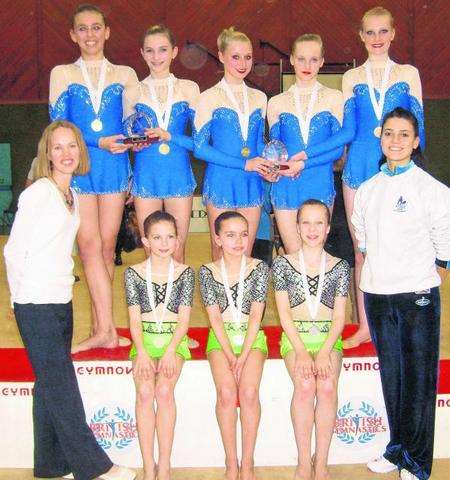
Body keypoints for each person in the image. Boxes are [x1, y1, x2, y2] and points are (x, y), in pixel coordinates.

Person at [3, 120, 135, 480]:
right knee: (62, 387)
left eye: (72, 146)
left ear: (81, 151)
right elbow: (14, 252)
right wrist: (20, 300)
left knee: (48, 385)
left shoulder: (72, 194)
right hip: (35, 303)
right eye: (58, 147)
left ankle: (50, 465)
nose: (66, 154)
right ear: (47, 153)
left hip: (61, 299)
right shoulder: (38, 194)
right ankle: (95, 468)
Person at [292, 7, 425, 348]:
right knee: (361, 249)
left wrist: (407, 163)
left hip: (398, 169)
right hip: (359, 171)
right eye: (370, 32)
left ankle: (398, 323)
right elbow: (349, 130)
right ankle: (365, 324)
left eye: (383, 31)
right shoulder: (351, 78)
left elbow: (419, 126)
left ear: (393, 33)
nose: (377, 39)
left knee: (399, 248)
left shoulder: (408, 73)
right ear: (361, 36)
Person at [352, 108, 449, 480]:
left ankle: (418, 462)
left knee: (419, 378)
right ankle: (397, 450)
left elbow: (446, 244)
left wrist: (420, 278)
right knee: (392, 375)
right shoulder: (368, 189)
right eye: (389, 133)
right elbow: (362, 238)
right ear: (381, 139)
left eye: (404, 135)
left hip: (417, 296)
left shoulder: (433, 190)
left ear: (416, 140)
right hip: (377, 295)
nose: (395, 141)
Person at [49, 3, 139, 352]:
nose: (90, 34)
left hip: (115, 167)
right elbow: (59, 126)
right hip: (82, 166)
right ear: (73, 35)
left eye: (96, 27)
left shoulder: (125, 74)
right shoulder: (62, 73)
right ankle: (105, 327)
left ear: (107, 32)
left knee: (104, 248)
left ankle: (102, 327)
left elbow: (133, 123)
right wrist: (96, 141)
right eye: (82, 28)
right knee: (87, 247)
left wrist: (137, 137)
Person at [272, 199, 349, 480]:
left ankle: (322, 462)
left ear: (328, 228)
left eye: (319, 223)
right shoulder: (282, 265)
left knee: (327, 386)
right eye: (306, 222)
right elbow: (284, 315)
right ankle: (304, 460)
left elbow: (339, 318)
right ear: (297, 227)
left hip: (329, 338)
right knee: (305, 385)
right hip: (296, 339)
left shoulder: (339, 266)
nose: (312, 229)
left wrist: (326, 350)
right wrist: (303, 353)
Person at [199, 211, 269, 480]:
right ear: (217, 239)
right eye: (230, 235)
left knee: (249, 392)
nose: (238, 241)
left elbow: (256, 316)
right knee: (227, 392)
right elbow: (214, 318)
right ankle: (231, 462)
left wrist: (243, 356)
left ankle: (248, 463)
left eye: (243, 234)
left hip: (252, 338)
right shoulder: (207, 271)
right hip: (221, 339)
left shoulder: (259, 269)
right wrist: (230, 354)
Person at [193, 27, 273, 260]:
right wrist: (244, 164)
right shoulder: (208, 97)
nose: (242, 63)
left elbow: (257, 144)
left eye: (247, 57)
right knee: (221, 255)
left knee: (245, 255)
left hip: (251, 183)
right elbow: (200, 147)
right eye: (235, 56)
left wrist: (268, 167)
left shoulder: (260, 98)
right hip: (221, 180)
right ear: (221, 56)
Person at [125, 211, 194, 480]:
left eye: (169, 237)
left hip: (173, 342)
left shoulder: (185, 273)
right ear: (145, 241)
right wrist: (141, 352)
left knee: (164, 390)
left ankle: (164, 465)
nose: (164, 243)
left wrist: (170, 352)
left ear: (177, 241)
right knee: (144, 393)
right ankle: (147, 465)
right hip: (143, 341)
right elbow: (133, 318)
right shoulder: (133, 274)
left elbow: (184, 320)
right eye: (157, 237)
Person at [123, 25, 200, 262]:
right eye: (150, 51)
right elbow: (127, 137)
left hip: (178, 174)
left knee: (177, 250)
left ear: (174, 52)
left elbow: (199, 142)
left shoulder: (189, 88)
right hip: (147, 174)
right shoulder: (132, 92)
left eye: (163, 50)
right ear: (142, 53)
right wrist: (133, 145)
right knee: (151, 252)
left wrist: (171, 137)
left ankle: (179, 301)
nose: (156, 57)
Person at [267, 34, 344, 253]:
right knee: (294, 258)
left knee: (316, 257)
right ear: (291, 59)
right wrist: (276, 169)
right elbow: (276, 150)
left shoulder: (334, 98)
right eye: (301, 59)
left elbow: (337, 149)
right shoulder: (276, 103)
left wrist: (303, 164)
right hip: (286, 185)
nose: (307, 65)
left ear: (322, 61)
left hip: (319, 182)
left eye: (313, 59)